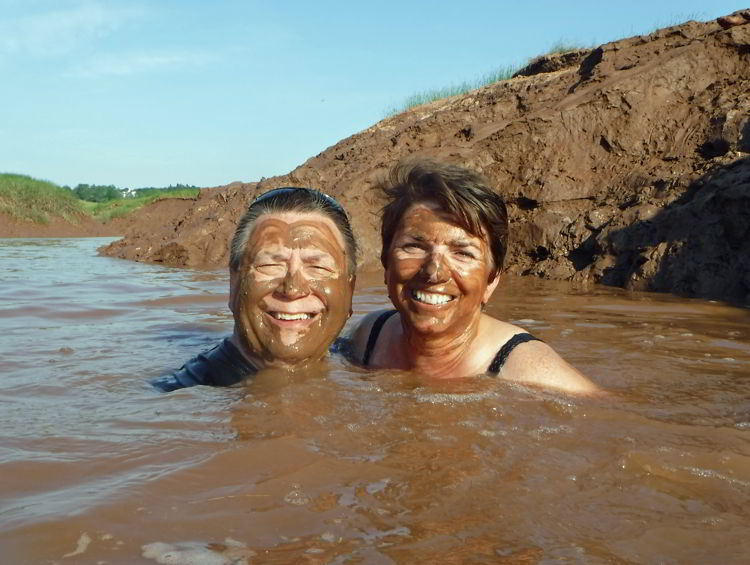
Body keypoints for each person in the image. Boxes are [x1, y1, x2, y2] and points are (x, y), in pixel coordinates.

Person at [348, 160, 598, 394]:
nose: (435, 271)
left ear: (492, 279)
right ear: (386, 262)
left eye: (462, 253)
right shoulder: (368, 336)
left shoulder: (534, 372)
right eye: (414, 246)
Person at [152, 187, 357, 392]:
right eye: (269, 265)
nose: (293, 289)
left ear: (350, 290)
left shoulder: (357, 360)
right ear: (234, 283)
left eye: (317, 267)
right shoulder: (182, 394)